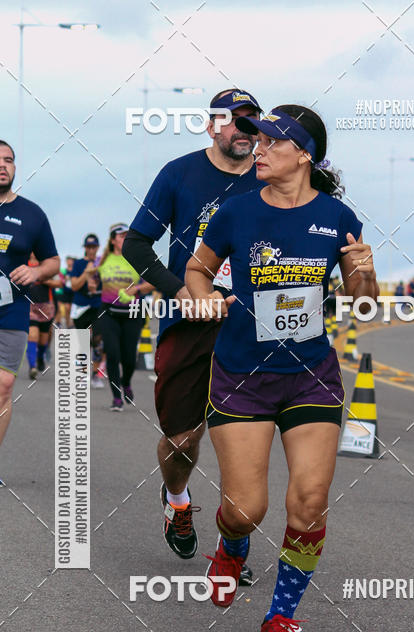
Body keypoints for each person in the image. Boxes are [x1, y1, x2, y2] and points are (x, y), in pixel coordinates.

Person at [186, 104, 378, 632]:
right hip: (242, 374)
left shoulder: (338, 217)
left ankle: (281, 617)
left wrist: (364, 267)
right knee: (247, 508)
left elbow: (362, 305)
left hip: (310, 375)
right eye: (256, 141)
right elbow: (198, 269)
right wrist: (202, 301)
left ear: (304, 155)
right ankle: (231, 545)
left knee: (310, 500)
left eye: (271, 142)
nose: (259, 150)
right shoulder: (236, 213)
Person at [123, 88, 261, 578]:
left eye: (253, 122)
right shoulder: (179, 174)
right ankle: (177, 500)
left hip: (251, 327)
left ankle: (234, 550)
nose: (245, 132)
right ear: (212, 127)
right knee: (182, 439)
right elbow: (135, 242)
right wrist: (178, 289)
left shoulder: (271, 175)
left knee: (241, 438)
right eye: (235, 122)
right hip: (190, 323)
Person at [0, 139, 59, 487]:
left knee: (2, 385)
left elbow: (53, 261)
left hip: (9, 309)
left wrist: (36, 272)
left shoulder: (32, 214)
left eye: (9, 160)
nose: (2, 165)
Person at [96, 223, 152, 410]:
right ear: (113, 240)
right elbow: (90, 279)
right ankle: (116, 397)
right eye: (121, 236)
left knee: (129, 358)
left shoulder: (136, 258)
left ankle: (126, 382)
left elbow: (152, 281)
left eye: (127, 235)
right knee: (112, 354)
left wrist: (136, 288)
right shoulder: (102, 260)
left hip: (132, 314)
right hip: (109, 314)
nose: (124, 239)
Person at [70, 233, 104, 387]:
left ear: (97, 247)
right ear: (84, 248)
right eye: (88, 247)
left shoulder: (103, 264)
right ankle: (82, 375)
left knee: (98, 340)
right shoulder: (78, 264)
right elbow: (74, 286)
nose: (91, 250)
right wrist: (87, 273)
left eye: (93, 247)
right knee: (83, 341)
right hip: (81, 305)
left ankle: (95, 375)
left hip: (97, 305)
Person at [26, 253, 57, 379]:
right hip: (30, 307)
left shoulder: (45, 265)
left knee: (44, 340)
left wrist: (45, 280)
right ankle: (32, 367)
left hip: (45, 307)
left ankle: (40, 358)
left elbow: (59, 283)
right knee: (33, 336)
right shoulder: (23, 263)